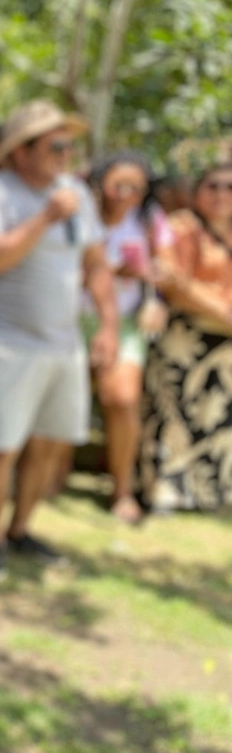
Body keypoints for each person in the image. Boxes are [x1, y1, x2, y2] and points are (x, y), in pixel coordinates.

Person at [0, 100, 119, 582]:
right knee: (2, 446)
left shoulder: (76, 193)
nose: (66, 154)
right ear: (21, 151)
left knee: (49, 443)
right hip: (6, 341)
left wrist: (108, 326)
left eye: (69, 146)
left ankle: (21, 529)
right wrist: (45, 218)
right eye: (56, 145)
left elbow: (95, 264)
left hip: (63, 343)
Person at [140, 162, 232, 511]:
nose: (221, 194)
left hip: (224, 343)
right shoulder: (181, 227)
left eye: (229, 187)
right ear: (197, 192)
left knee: (214, 416)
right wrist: (222, 311)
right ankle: (164, 489)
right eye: (213, 186)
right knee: (174, 414)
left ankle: (209, 492)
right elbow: (173, 281)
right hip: (186, 336)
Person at [82, 151, 159, 523]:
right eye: (119, 185)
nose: (127, 194)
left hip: (126, 319)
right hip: (70, 317)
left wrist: (152, 285)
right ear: (100, 184)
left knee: (123, 398)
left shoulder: (148, 219)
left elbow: (164, 266)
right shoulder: (80, 216)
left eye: (136, 188)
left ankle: (122, 490)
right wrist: (110, 270)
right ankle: (49, 478)